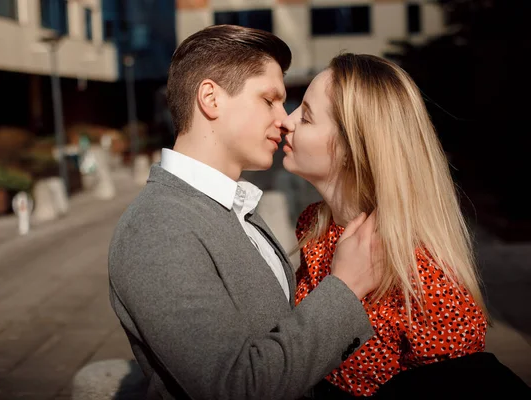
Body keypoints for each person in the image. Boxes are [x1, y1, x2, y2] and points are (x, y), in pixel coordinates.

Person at [108, 26, 382, 400]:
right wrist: (346, 287)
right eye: (269, 100)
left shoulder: (234, 207)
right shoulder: (157, 227)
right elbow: (235, 387)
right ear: (211, 99)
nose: (284, 120)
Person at [282, 53, 494, 398]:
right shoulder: (314, 225)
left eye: (305, 117)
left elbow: (464, 383)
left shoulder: (418, 270)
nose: (286, 122)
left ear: (353, 148)